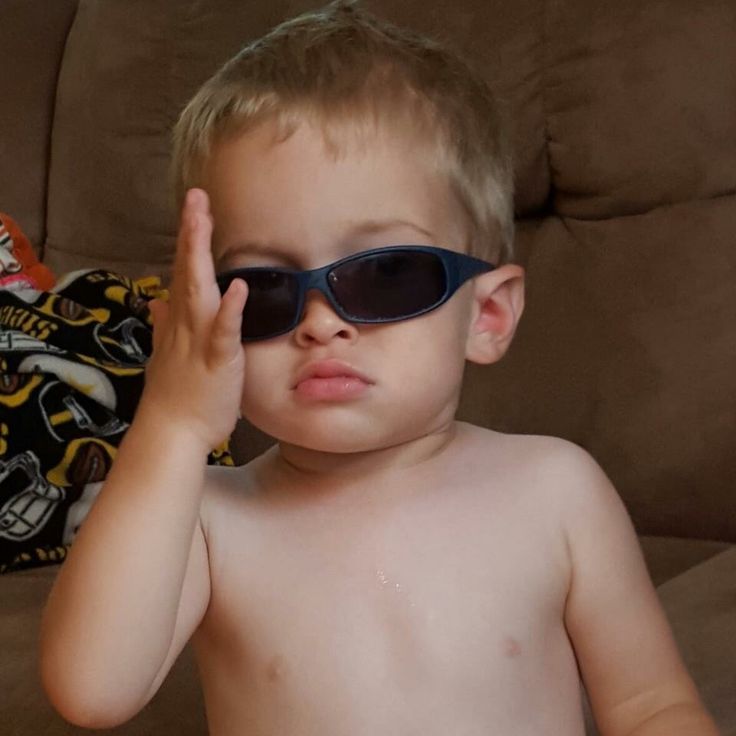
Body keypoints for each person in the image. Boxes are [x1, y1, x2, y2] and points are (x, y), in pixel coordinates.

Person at [39, 2, 720, 734]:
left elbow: (651, 706)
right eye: (264, 289)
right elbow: (91, 689)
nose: (321, 321)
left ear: (486, 317)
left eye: (387, 275)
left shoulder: (556, 491)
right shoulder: (210, 519)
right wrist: (171, 424)